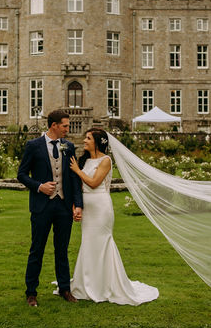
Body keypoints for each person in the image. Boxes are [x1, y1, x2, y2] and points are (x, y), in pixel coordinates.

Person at [67, 128, 159, 305]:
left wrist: (78, 171)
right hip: (87, 207)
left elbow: (94, 183)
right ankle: (86, 283)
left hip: (101, 207)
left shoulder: (106, 160)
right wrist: (76, 206)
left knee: (102, 243)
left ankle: (106, 285)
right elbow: (78, 187)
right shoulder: (85, 160)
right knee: (88, 242)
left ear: (97, 142)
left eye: (88, 138)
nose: (84, 140)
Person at [17, 110, 83, 307]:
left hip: (63, 206)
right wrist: (39, 186)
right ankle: (31, 293)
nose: (67, 129)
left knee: (62, 250)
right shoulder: (33, 146)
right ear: (53, 125)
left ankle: (64, 288)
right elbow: (21, 174)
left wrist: (77, 204)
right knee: (36, 250)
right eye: (64, 125)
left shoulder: (68, 146)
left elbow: (73, 177)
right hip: (41, 207)